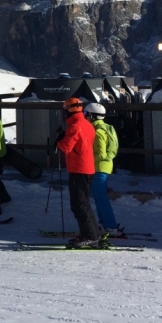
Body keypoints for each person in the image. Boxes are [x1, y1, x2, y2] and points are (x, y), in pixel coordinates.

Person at [56, 98, 101, 249]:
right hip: (88, 168)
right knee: (84, 204)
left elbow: (66, 147)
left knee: (78, 205)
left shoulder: (74, 127)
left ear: (68, 111)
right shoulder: (87, 124)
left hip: (78, 169)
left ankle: (89, 236)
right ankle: (94, 234)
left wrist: (59, 140)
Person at [84, 103, 123, 238]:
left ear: (92, 116)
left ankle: (110, 226)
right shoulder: (106, 127)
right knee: (98, 196)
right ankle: (104, 224)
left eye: (86, 114)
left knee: (100, 197)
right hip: (103, 166)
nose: (85, 117)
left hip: (99, 167)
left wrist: (85, 158)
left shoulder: (97, 130)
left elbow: (100, 153)